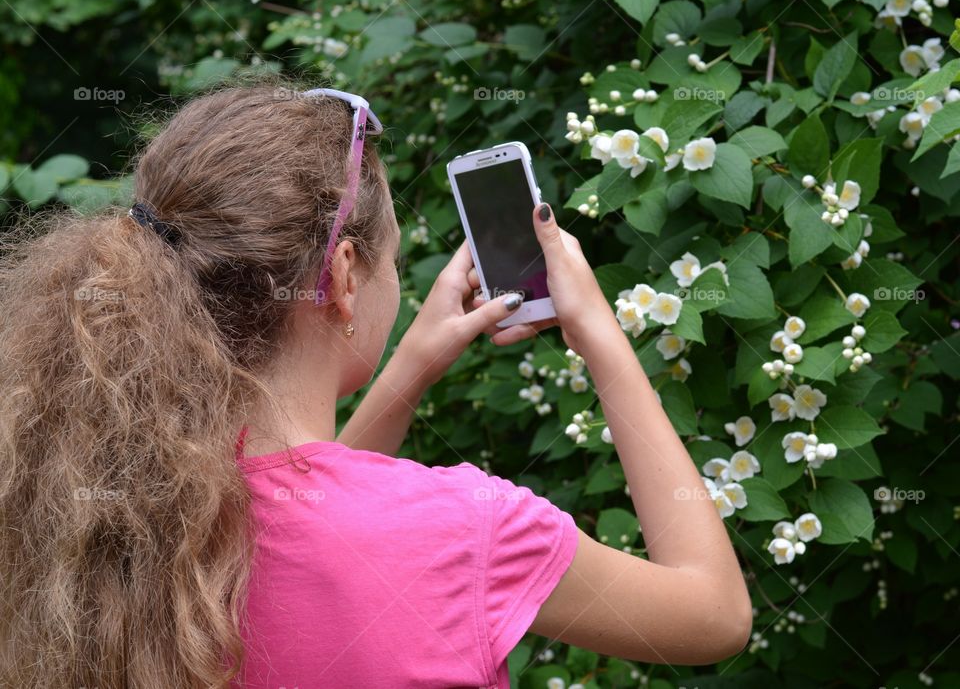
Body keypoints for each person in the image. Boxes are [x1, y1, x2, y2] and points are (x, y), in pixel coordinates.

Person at [0, 83, 752, 688]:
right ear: (346, 274)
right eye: (390, 256)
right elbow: (713, 615)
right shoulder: (466, 529)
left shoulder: (112, 492)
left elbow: (309, 505)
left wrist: (409, 370)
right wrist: (603, 341)